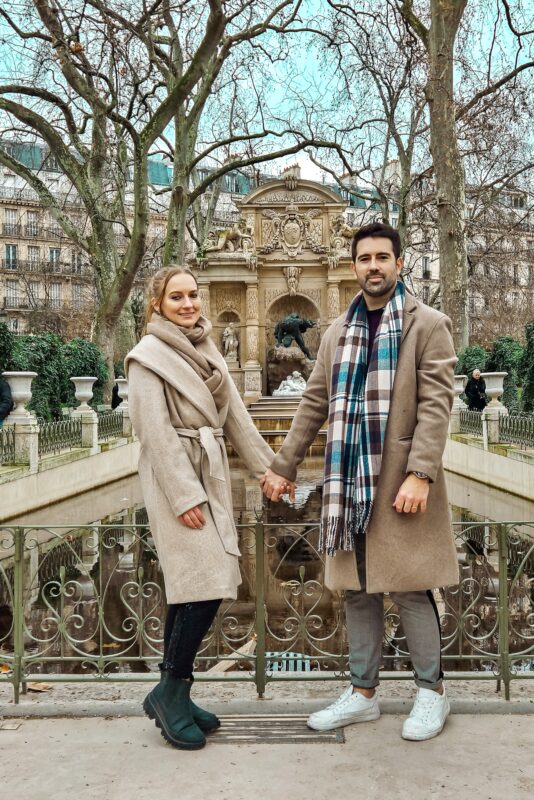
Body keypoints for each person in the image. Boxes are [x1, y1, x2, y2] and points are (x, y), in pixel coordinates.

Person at [261, 222, 458, 742]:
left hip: (400, 482)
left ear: (398, 263)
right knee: (356, 592)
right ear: (354, 267)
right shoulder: (335, 333)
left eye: (382, 257)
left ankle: (431, 693)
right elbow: (313, 404)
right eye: (365, 258)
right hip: (348, 481)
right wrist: (283, 465)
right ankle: (363, 694)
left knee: (412, 589)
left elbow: (437, 405)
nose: (373, 265)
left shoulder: (428, 324)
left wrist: (420, 472)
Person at [125, 266, 276, 750]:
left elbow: (236, 420)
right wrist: (185, 494)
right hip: (177, 480)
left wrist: (269, 470)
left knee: (191, 587)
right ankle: (172, 690)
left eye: (193, 295)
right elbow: (155, 431)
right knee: (207, 583)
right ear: (157, 304)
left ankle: (175, 692)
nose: (188, 304)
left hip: (205, 471)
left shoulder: (208, 348)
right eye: (176, 297)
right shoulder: (146, 357)